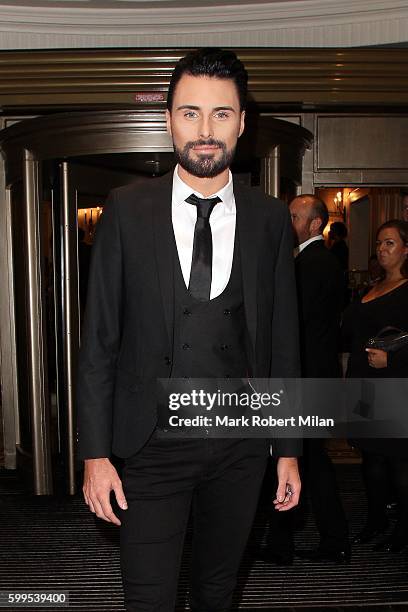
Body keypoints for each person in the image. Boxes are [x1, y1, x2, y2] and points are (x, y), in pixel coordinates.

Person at [77, 48, 301, 612]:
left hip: (240, 445)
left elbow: (282, 343)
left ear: (242, 122)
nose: (205, 131)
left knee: (216, 593)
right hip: (150, 446)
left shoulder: (270, 218)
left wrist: (288, 450)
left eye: (221, 114)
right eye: (190, 113)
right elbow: (99, 340)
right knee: (147, 597)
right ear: (170, 119)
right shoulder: (127, 210)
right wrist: (95, 454)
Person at [259, 195, 349, 564]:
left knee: (300, 457)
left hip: (307, 380)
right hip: (314, 377)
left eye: (294, 216)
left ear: (315, 225)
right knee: (303, 458)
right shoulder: (312, 261)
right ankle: (294, 541)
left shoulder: (313, 264)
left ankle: (314, 541)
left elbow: (291, 327)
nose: (288, 221)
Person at [343, 219, 408, 553]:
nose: (382, 249)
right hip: (365, 386)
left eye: (390, 243)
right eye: (380, 243)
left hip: (395, 386)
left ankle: (403, 529)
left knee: (398, 462)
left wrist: (393, 361)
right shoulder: (373, 286)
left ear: (406, 249)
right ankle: (376, 520)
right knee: (370, 459)